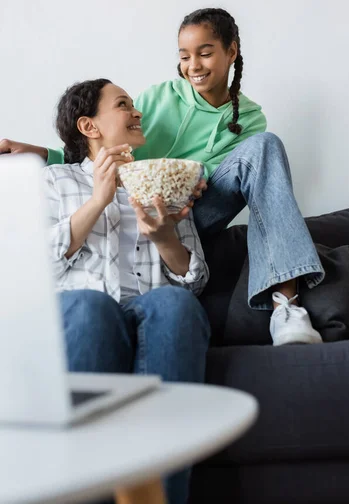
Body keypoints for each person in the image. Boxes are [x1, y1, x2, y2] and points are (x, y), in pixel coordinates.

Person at [0, 7, 324, 346]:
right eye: (185, 56)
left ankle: (286, 306)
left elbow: (217, 177)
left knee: (265, 146)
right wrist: (43, 155)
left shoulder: (251, 119)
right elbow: (102, 142)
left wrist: (189, 189)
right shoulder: (158, 98)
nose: (194, 66)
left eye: (205, 53)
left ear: (231, 51)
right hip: (139, 201)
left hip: (194, 205)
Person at [44, 78, 210, 504]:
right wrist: (98, 199)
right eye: (123, 105)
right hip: (82, 309)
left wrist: (166, 237)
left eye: (135, 105)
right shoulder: (53, 183)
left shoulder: (165, 180)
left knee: (176, 304)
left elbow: (196, 279)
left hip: (151, 305)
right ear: (89, 126)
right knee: (88, 306)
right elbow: (32, 264)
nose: (137, 113)